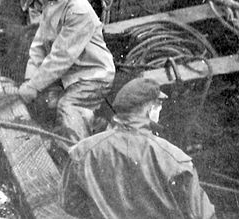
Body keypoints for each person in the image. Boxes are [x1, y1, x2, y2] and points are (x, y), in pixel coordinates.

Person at [61, 76, 216, 219]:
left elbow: (70, 204)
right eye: (159, 105)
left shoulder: (82, 152)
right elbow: (202, 214)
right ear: (150, 110)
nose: (160, 110)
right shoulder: (174, 159)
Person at [18, 0, 115, 145]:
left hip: (93, 76)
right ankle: (97, 128)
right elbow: (39, 46)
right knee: (48, 101)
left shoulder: (78, 10)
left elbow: (61, 56)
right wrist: (29, 80)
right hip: (69, 74)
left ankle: (79, 156)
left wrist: (34, 87)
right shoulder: (51, 3)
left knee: (67, 106)